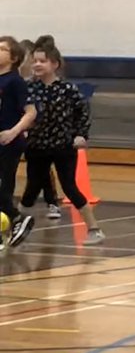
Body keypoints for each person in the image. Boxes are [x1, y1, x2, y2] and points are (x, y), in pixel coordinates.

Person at [16, 37, 104, 246]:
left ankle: (94, 229)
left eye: (43, 61)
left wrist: (80, 134)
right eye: (35, 61)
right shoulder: (28, 88)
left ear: (54, 64)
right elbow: (22, 111)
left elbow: (83, 111)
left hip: (62, 146)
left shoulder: (67, 89)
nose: (37, 65)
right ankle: (14, 228)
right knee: (31, 190)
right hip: (37, 146)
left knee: (70, 187)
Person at [0, 36, 37, 251]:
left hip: (9, 142)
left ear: (13, 58)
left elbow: (31, 113)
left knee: (4, 190)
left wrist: (13, 132)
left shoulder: (15, 81)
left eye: (2, 49)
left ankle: (18, 218)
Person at [18, 38, 59, 219]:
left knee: (42, 171)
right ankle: (24, 209)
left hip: (49, 136)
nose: (35, 64)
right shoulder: (25, 84)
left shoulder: (54, 86)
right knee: (35, 172)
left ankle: (50, 202)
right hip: (30, 136)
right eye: (33, 61)